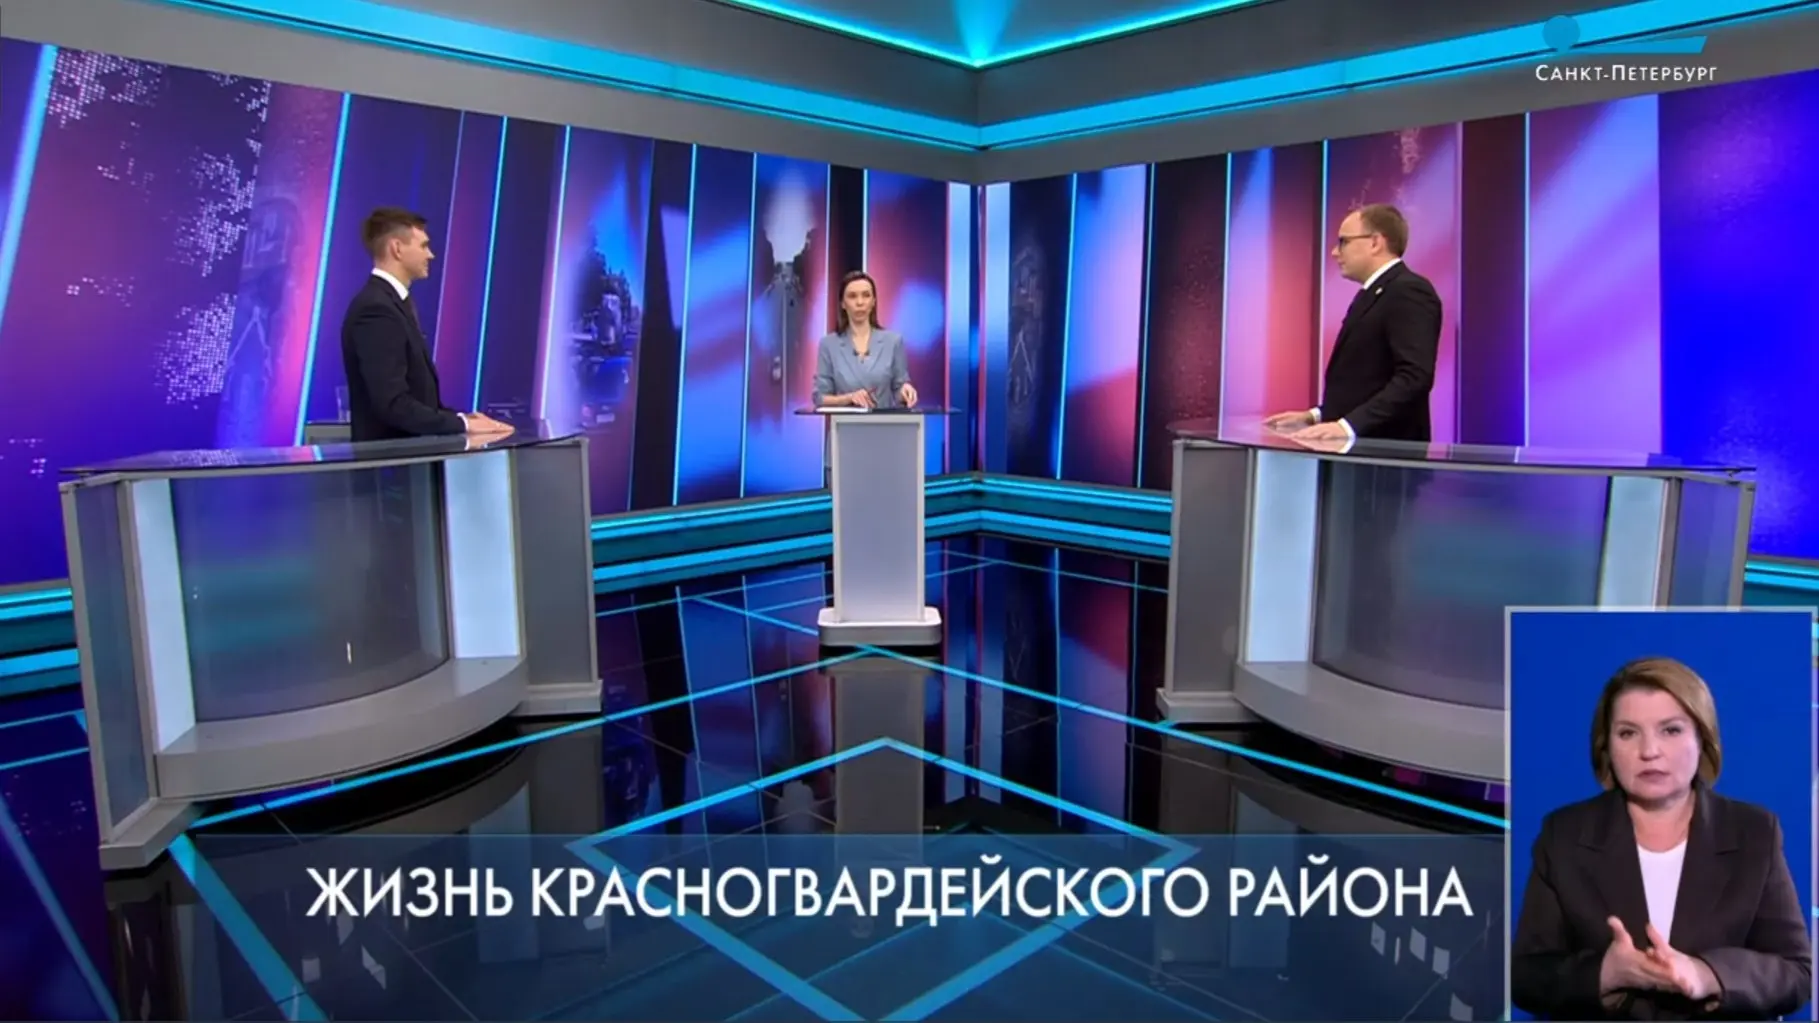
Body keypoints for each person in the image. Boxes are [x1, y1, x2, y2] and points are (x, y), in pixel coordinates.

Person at [1510, 657, 1811, 1020]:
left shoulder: (1754, 833)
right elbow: (1527, 976)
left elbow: (1796, 973)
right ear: (1606, 747)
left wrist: (1707, 974)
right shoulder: (1564, 835)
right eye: (1628, 733)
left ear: (1703, 739)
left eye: (1670, 730)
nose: (1649, 751)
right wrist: (1605, 975)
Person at [1264, 204, 1441, 443]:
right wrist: (1316, 416)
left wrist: (1348, 427)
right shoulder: (1372, 293)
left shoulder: (1409, 290)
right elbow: (1365, 381)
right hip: (1356, 451)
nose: (1335, 252)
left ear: (1375, 242)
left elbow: (1413, 378)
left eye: (1343, 242)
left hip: (1383, 453)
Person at [340, 207, 509, 442]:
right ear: (397, 248)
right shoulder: (376, 310)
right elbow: (393, 404)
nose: (430, 255)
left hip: (413, 457)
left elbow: (418, 399)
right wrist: (462, 424)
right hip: (394, 461)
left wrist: (463, 419)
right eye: (423, 246)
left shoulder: (394, 303)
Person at [811, 271, 917, 410]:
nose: (860, 302)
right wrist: (849, 398)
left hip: (886, 423)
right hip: (844, 423)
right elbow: (820, 397)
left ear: (873, 302)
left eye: (866, 295)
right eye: (852, 296)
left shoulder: (893, 342)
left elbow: (899, 389)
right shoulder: (828, 345)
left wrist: (905, 391)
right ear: (843, 303)